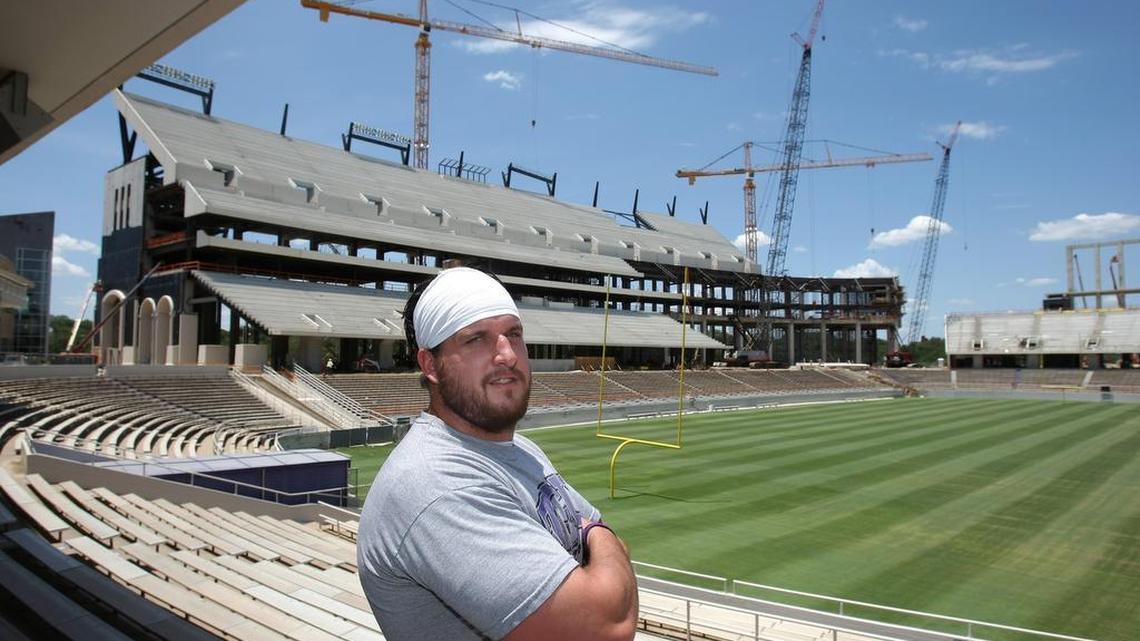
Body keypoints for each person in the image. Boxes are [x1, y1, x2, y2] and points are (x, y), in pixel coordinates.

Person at [357, 267, 638, 641]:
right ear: (430, 365)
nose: (507, 354)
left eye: (514, 334)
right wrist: (598, 533)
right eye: (476, 340)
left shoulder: (520, 448)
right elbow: (606, 626)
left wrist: (597, 538)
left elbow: (612, 559)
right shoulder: (437, 484)